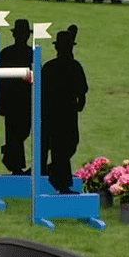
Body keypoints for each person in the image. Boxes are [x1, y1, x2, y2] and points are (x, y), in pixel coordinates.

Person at [41, 30, 88, 194]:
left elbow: (82, 92)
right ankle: (60, 180)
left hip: (65, 112)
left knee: (68, 145)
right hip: (56, 112)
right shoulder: (53, 67)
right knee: (60, 148)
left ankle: (55, 172)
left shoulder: (67, 66)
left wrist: (79, 104)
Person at [0, 19, 33, 175]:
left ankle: (11, 157)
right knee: (15, 133)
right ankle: (14, 164)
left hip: (22, 99)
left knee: (20, 132)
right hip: (15, 100)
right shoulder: (8, 53)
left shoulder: (10, 53)